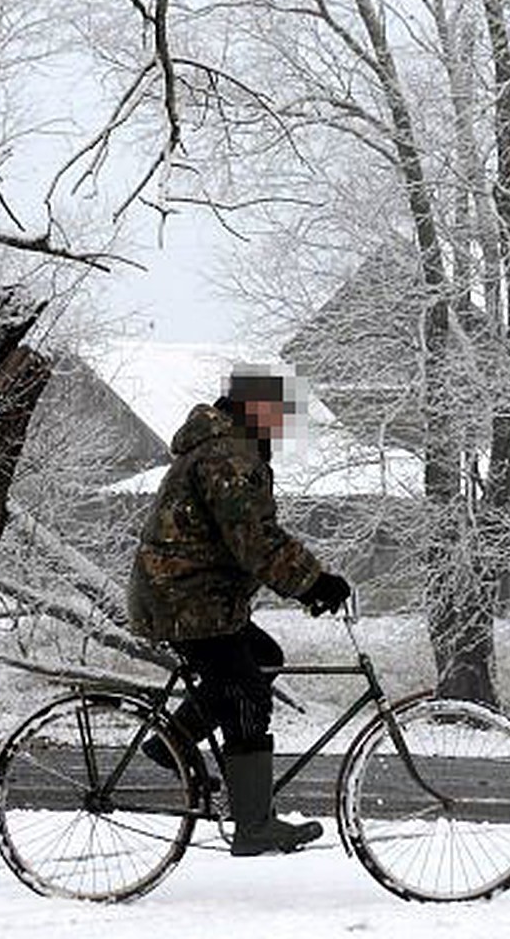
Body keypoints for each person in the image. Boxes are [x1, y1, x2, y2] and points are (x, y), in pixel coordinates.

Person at [127, 363, 352, 856]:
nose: (285, 431)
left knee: (262, 658)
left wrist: (308, 582)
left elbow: (250, 539)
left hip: (194, 598)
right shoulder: (227, 458)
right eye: (281, 419)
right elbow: (255, 541)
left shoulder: (225, 449)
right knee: (247, 690)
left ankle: (174, 740)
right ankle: (253, 826)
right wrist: (314, 583)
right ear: (259, 414)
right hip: (187, 600)